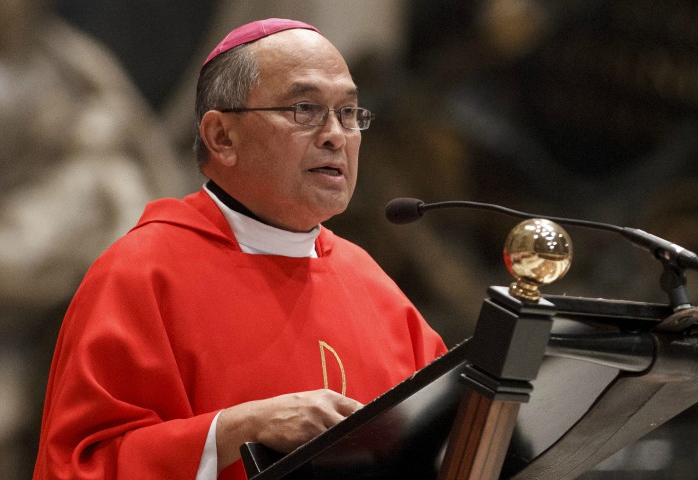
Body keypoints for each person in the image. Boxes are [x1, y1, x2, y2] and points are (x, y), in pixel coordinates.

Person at [32, 18, 447, 480]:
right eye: (305, 108)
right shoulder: (141, 274)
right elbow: (76, 469)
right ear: (222, 137)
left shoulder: (371, 283)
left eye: (349, 113)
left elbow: (452, 438)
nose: (336, 134)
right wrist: (236, 430)